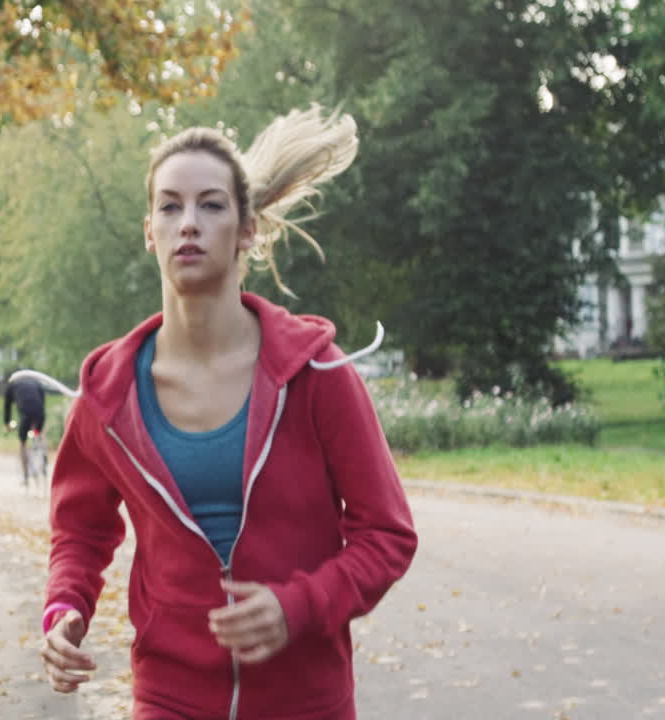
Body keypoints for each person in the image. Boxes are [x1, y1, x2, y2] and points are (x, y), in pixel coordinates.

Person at [39, 106, 418, 719]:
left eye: (212, 205)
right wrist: (65, 609)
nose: (188, 222)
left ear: (246, 230)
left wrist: (300, 606)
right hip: (169, 696)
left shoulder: (317, 374)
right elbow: (79, 531)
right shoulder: (108, 396)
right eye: (170, 206)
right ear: (148, 231)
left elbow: (387, 534)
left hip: (307, 700)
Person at [3, 374, 46, 483]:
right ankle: (43, 454)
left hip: (26, 416)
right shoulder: (35, 383)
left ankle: (25, 476)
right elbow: (42, 400)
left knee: (22, 443)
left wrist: (7, 425)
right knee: (37, 432)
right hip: (39, 415)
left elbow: (7, 408)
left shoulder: (11, 385)